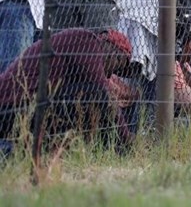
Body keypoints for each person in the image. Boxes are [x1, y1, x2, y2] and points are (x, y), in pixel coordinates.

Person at [0, 28, 140, 150]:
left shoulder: (82, 50)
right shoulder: (87, 42)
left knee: (86, 95)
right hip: (12, 105)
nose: (110, 74)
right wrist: (127, 139)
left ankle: (52, 149)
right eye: (118, 66)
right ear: (114, 53)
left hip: (24, 105)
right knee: (95, 95)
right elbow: (105, 96)